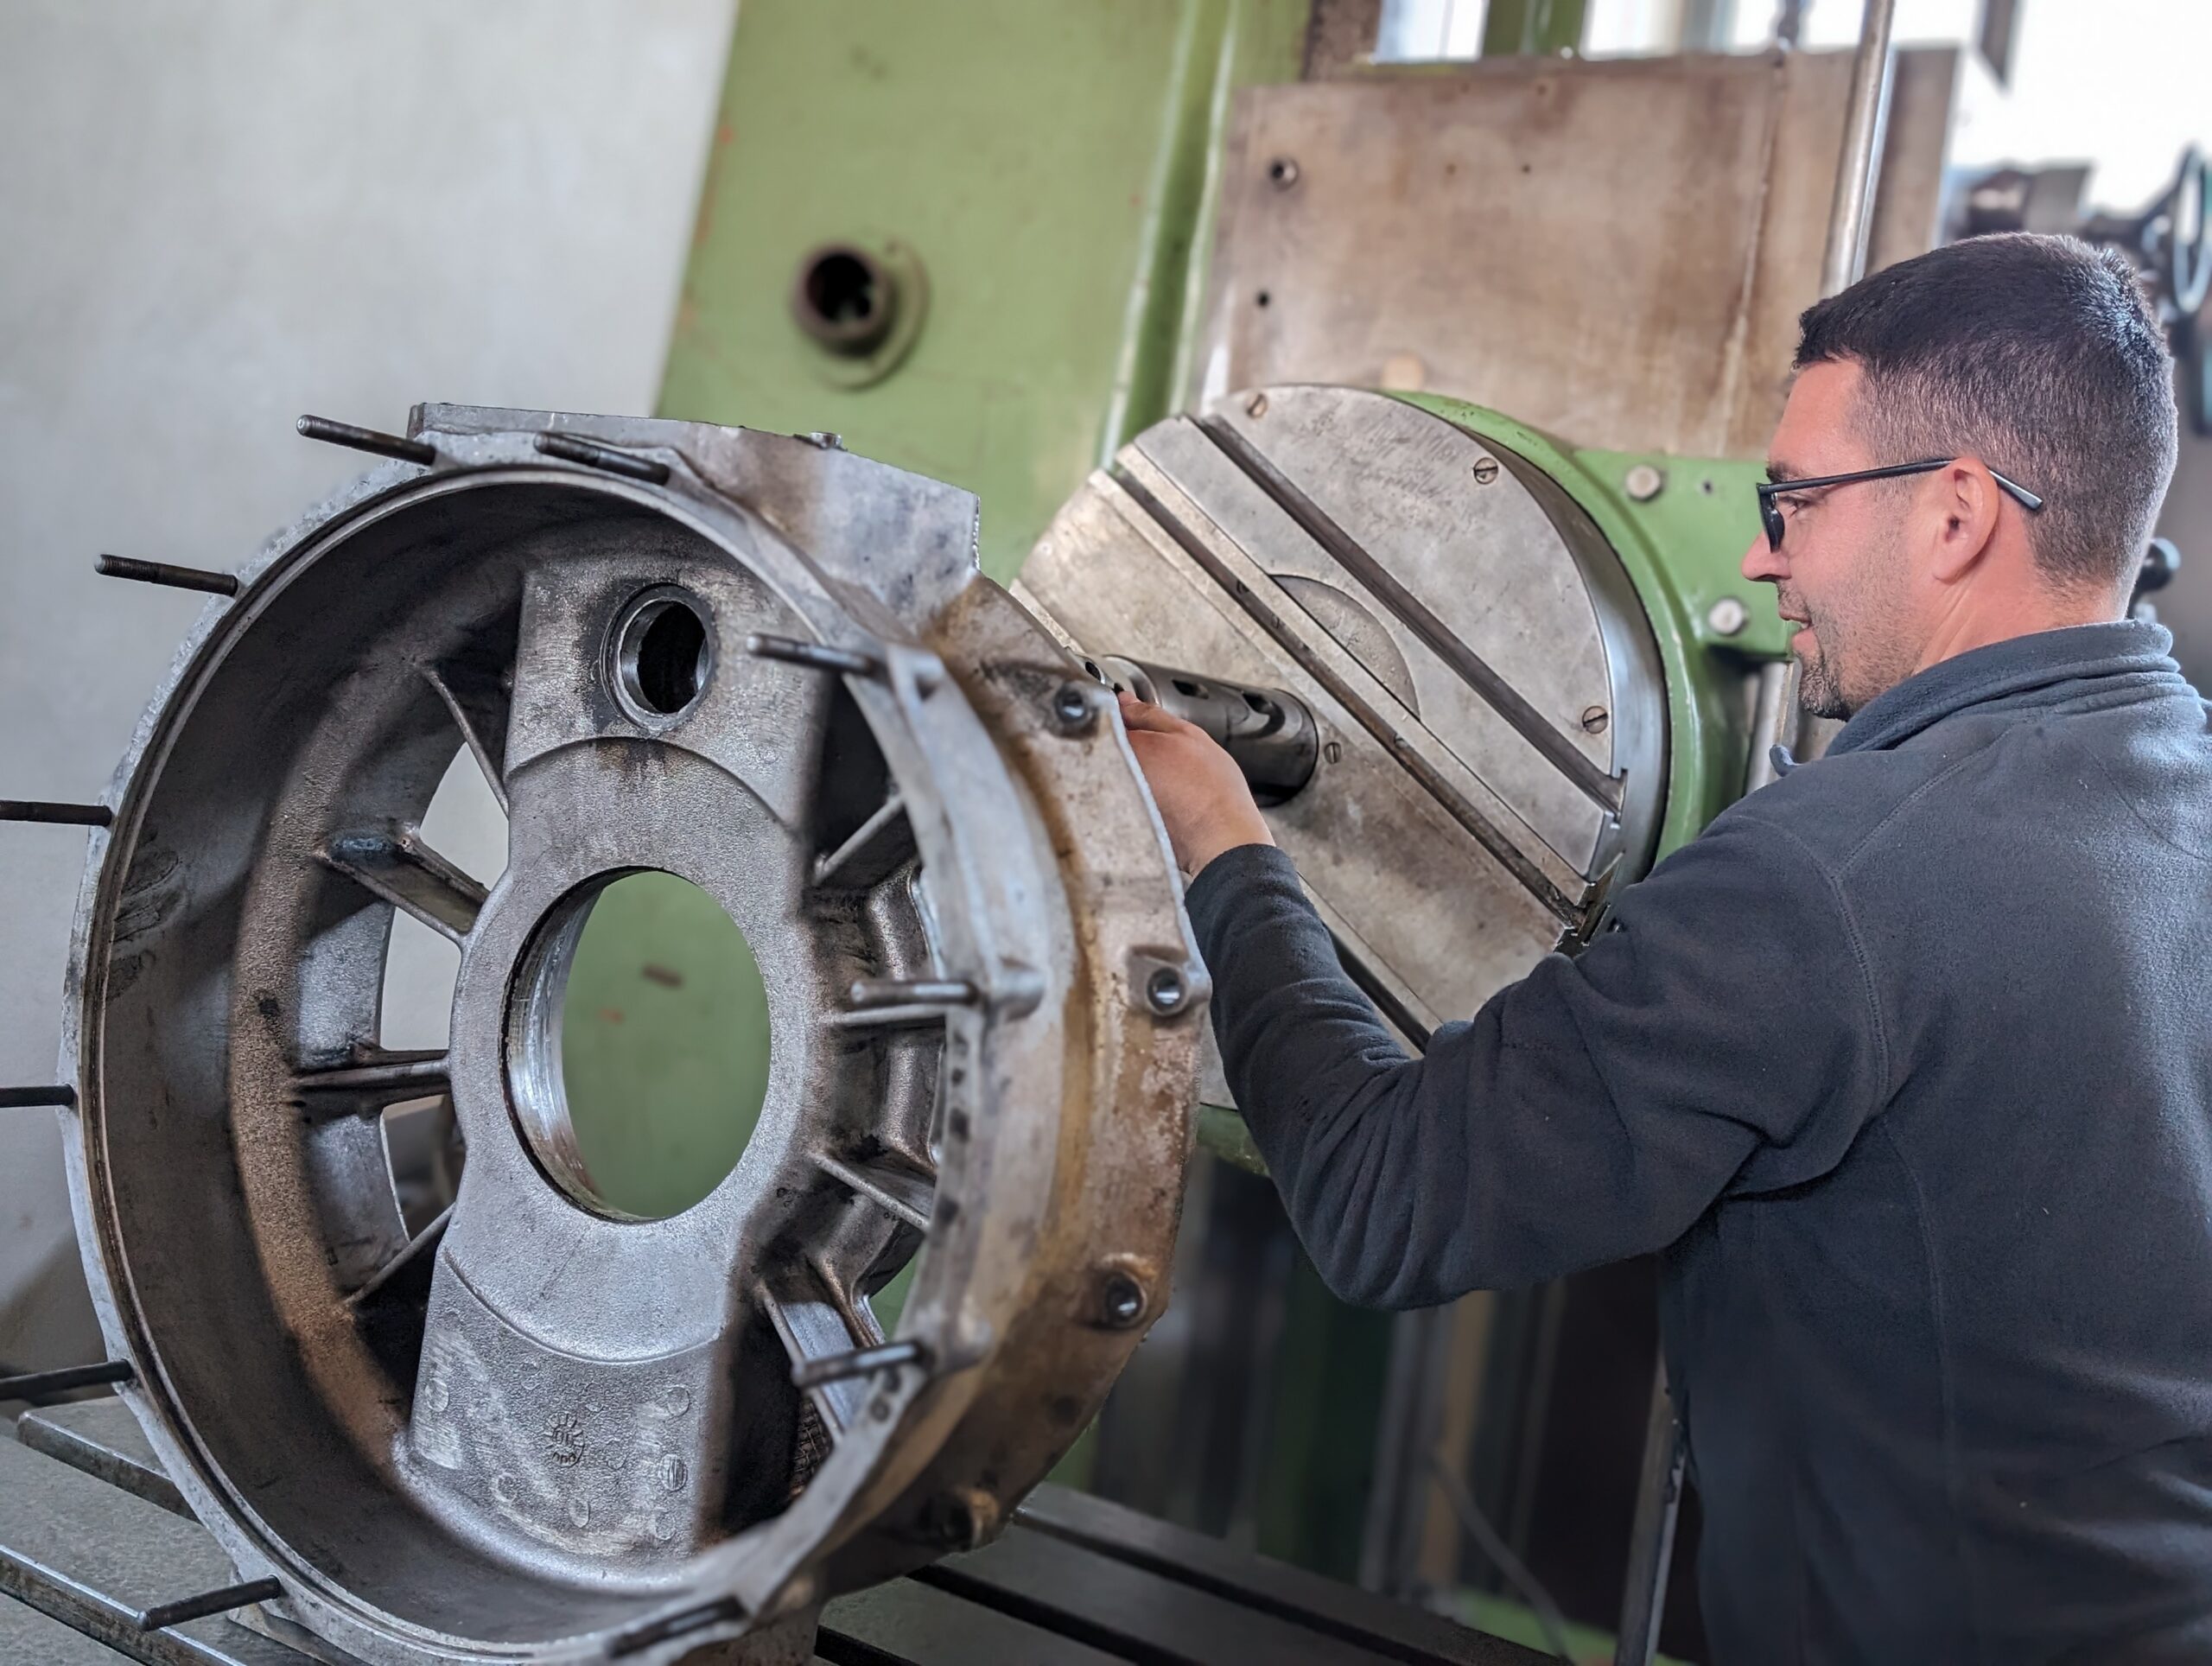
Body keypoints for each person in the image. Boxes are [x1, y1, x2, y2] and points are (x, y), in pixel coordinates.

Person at [1118, 232, 2210, 1664]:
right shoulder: (2176, 789)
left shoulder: (1834, 880)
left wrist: (1219, 838)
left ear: (1955, 515)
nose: (1763, 555)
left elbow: (1384, 1200)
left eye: (1795, 500)